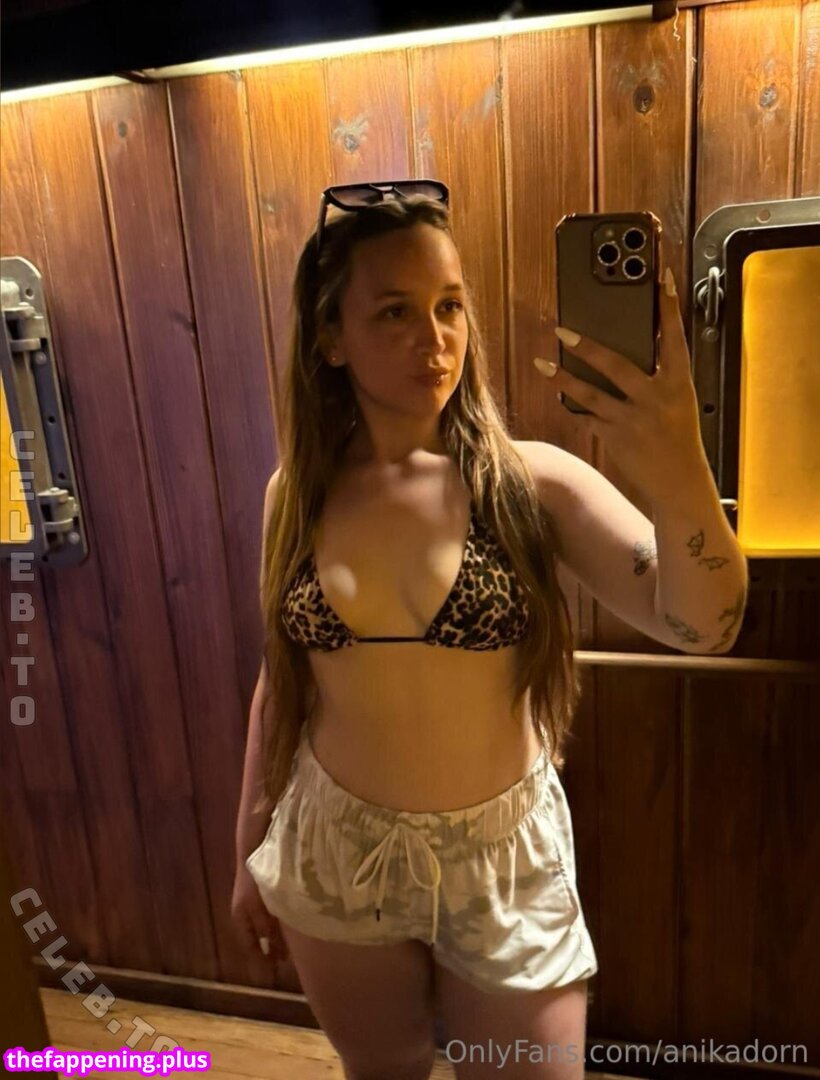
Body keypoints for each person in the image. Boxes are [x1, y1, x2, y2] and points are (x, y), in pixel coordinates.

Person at [231, 181, 619, 1080]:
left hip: (500, 856)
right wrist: (247, 851)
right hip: (336, 844)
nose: (435, 337)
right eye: (395, 311)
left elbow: (696, 614)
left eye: (449, 306)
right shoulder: (294, 494)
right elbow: (281, 679)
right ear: (330, 338)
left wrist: (666, 448)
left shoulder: (525, 483)